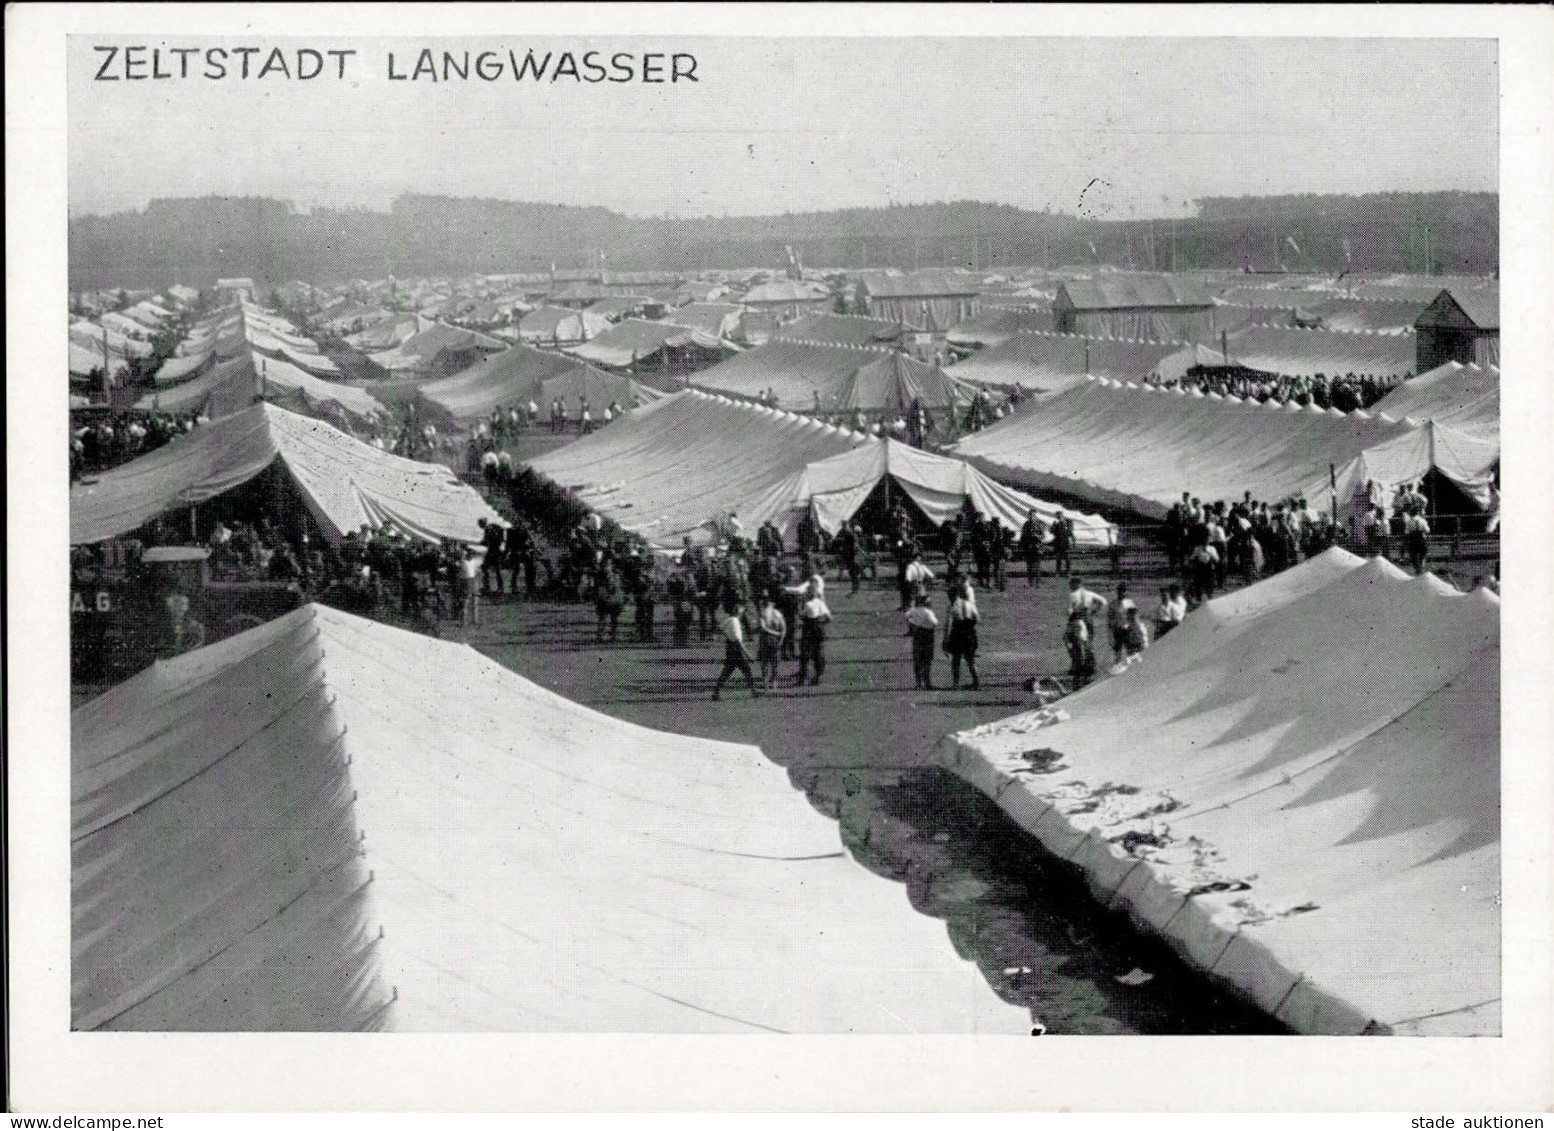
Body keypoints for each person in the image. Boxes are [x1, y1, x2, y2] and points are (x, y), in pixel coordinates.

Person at [712, 599, 761, 700]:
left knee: (727, 672)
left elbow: (721, 629)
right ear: (737, 611)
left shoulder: (729, 620)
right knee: (745, 670)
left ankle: (716, 692)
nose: (742, 610)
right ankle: (754, 691)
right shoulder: (735, 622)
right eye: (740, 609)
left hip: (729, 647)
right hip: (736, 649)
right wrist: (748, 655)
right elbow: (738, 642)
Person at [794, 581, 833, 686]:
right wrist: (822, 623)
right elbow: (829, 618)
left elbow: (801, 616)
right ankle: (817, 676)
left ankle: (802, 678)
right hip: (820, 630)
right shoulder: (821, 603)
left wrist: (799, 608)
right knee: (819, 653)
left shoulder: (807, 604)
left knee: (805, 654)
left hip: (809, 630)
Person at [944, 580, 980, 690]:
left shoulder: (952, 606)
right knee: (970, 659)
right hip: (969, 632)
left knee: (956, 659)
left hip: (958, 633)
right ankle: (976, 681)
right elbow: (977, 618)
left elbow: (948, 624)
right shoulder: (970, 604)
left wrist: (945, 640)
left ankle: (956, 683)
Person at [906, 590, 939, 690]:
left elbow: (907, 616)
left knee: (917, 659)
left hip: (917, 634)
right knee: (927, 660)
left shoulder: (913, 610)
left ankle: (918, 683)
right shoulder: (928, 612)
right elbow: (935, 623)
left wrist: (912, 623)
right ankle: (927, 682)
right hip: (927, 635)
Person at [756, 593, 787, 690]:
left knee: (764, 662)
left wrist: (775, 633)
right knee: (775, 663)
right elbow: (784, 628)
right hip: (776, 641)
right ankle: (774, 682)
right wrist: (781, 639)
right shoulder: (778, 614)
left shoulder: (762, 613)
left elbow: (763, 628)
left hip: (765, 640)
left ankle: (765, 682)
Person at [1064, 608, 1096, 688]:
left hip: (1080, 644)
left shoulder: (1075, 623)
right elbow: (1080, 636)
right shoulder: (1077, 623)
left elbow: (1066, 637)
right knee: (1084, 661)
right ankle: (1083, 680)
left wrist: (1069, 647)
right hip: (1081, 644)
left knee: (1081, 662)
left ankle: (1081, 681)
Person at [478, 518, 505, 597]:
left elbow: (491, 541)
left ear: (483, 524)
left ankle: (488, 587)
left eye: (480, 525)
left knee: (489, 569)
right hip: (495, 552)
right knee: (495, 570)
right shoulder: (491, 528)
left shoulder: (489, 529)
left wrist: (483, 542)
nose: (480, 526)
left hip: (493, 552)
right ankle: (498, 587)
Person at [1018, 510, 1045, 585]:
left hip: (1037, 547)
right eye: (1030, 515)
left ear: (1035, 515)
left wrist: (1038, 536)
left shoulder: (1039, 524)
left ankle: (1037, 581)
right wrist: (1022, 545)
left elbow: (1043, 535)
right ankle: (1030, 581)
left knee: (1037, 565)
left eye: (1033, 515)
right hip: (1028, 547)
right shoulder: (1026, 524)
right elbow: (1022, 536)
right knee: (1029, 565)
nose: (1031, 517)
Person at [459, 545, 482, 628]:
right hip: (467, 582)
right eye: (469, 554)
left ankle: (475, 620)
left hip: (473, 581)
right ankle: (463, 621)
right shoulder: (463, 562)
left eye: (472, 554)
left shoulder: (474, 562)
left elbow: (478, 571)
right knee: (466, 603)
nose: (471, 555)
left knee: (475, 603)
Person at [1052, 509, 1072, 575]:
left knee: (1067, 558)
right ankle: (1058, 572)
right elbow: (1052, 531)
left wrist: (1063, 526)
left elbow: (1069, 532)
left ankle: (1068, 572)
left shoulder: (1067, 522)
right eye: (1057, 516)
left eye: (1060, 516)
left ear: (1062, 515)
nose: (1059, 517)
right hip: (1058, 543)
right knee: (1058, 558)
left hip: (1065, 543)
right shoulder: (1055, 523)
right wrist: (1054, 526)